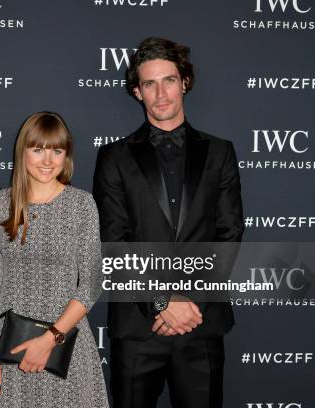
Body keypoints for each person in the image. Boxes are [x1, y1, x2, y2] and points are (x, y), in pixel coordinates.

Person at [93, 37, 244, 408]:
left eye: (169, 80)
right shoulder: (114, 157)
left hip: (200, 321)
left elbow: (229, 232)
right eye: (149, 83)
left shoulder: (220, 152)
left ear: (185, 83)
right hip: (138, 326)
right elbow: (114, 239)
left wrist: (188, 302)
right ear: (136, 91)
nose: (161, 94)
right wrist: (162, 301)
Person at [0, 112, 109, 408]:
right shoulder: (0, 204)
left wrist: (49, 339)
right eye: (38, 150)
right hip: (10, 348)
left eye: (56, 151)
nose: (48, 160)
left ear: (66, 155)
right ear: (22, 151)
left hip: (66, 345)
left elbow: (91, 282)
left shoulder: (81, 204)